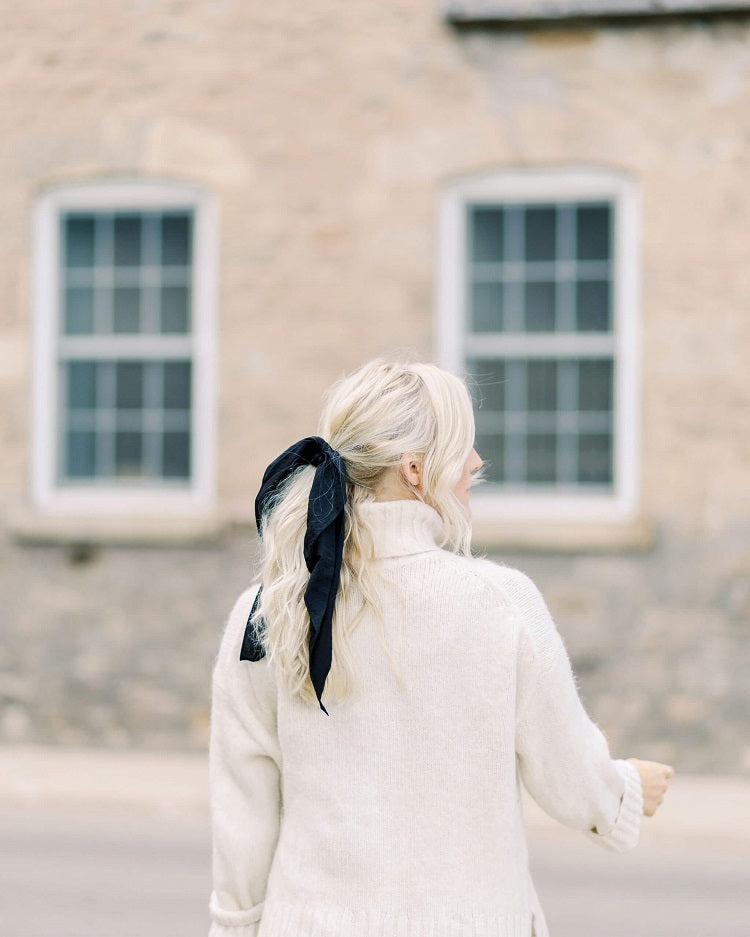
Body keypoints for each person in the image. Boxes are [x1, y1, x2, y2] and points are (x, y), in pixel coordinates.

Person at [208, 359, 674, 937]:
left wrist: (234, 929)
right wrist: (625, 791)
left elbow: (243, 812)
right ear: (415, 470)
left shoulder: (270, 608)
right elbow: (570, 777)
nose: (476, 461)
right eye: (464, 446)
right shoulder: (501, 604)